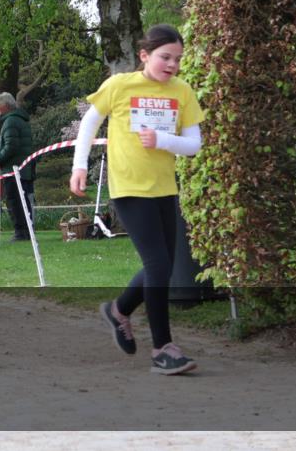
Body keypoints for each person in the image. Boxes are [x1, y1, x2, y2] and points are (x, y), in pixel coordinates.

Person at [70, 24, 204, 376]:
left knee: (160, 267)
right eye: (164, 57)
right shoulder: (120, 85)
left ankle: (118, 311)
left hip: (164, 189)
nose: (172, 65)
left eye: (177, 59)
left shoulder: (182, 91)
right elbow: (89, 123)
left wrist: (162, 139)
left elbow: (193, 145)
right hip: (129, 188)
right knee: (160, 267)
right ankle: (163, 349)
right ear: (145, 55)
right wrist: (79, 166)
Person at [0, 92, 35, 242]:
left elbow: (11, 147)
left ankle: (20, 232)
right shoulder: (21, 120)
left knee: (14, 201)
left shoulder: (10, 122)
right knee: (23, 201)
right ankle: (27, 231)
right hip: (24, 169)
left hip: (13, 169)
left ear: (5, 106)